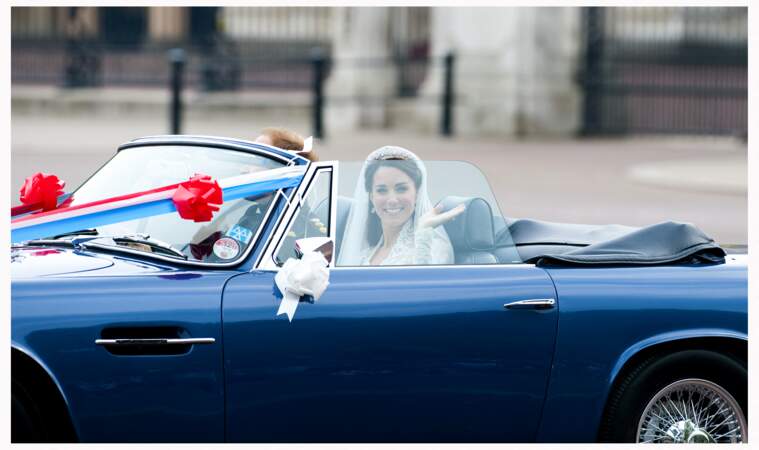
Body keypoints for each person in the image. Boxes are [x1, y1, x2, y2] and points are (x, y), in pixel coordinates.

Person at [338, 146, 465, 266]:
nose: (392, 200)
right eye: (382, 190)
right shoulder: (365, 254)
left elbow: (426, 285)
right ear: (372, 198)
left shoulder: (432, 246)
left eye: (401, 189)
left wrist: (424, 232)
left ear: (417, 194)